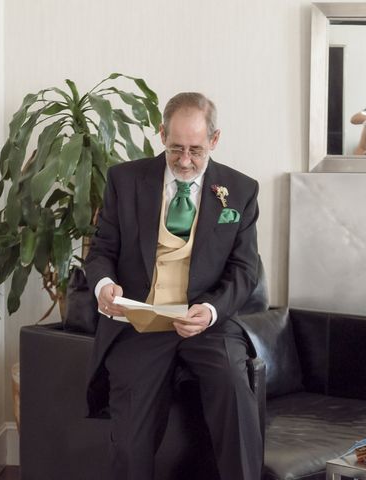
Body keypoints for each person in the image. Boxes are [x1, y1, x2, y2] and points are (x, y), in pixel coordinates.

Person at [84, 92, 262, 480]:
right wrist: (104, 286)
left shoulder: (241, 190)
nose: (185, 161)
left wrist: (211, 311)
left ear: (214, 140)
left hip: (205, 323)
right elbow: (101, 251)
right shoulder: (125, 180)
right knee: (130, 435)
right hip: (141, 324)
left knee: (234, 387)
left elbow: (246, 270)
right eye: (175, 148)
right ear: (161, 134)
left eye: (196, 150)